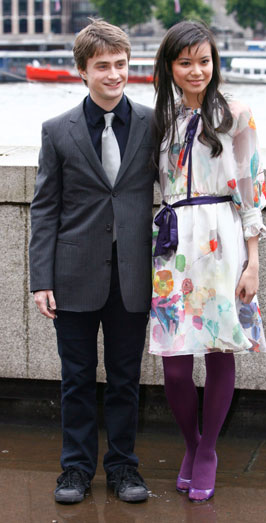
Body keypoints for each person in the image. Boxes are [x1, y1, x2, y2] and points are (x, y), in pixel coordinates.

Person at [29, 19, 157, 504]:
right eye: (102, 66)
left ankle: (124, 468)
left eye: (121, 65)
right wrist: (41, 278)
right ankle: (75, 471)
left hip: (132, 278)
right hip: (72, 276)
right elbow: (45, 207)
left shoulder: (151, 122)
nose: (113, 74)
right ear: (82, 70)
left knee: (126, 380)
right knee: (76, 379)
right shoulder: (56, 130)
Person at [149, 20, 266, 503]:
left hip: (223, 241)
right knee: (174, 366)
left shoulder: (237, 114)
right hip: (174, 248)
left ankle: (208, 451)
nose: (196, 70)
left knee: (220, 351)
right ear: (170, 67)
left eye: (204, 60)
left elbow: (251, 191)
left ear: (214, 63)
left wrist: (253, 262)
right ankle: (191, 443)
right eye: (185, 62)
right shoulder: (160, 120)